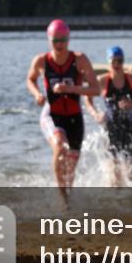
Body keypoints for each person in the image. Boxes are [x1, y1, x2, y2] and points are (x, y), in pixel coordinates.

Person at [26, 19, 99, 207]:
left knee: (71, 164)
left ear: (69, 39)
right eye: (55, 41)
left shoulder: (80, 59)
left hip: (75, 117)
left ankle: (68, 194)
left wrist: (72, 89)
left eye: (63, 40)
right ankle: (62, 198)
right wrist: (37, 94)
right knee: (59, 145)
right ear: (49, 40)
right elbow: (30, 79)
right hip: (52, 114)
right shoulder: (41, 61)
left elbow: (96, 89)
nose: (59, 45)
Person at [84, 46, 132, 186]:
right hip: (111, 128)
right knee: (114, 172)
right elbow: (87, 98)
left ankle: (130, 198)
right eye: (113, 61)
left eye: (119, 61)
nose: (116, 64)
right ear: (108, 62)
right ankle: (115, 199)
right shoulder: (103, 81)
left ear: (123, 61)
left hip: (130, 127)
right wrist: (95, 114)